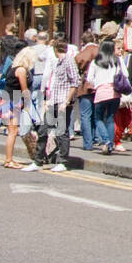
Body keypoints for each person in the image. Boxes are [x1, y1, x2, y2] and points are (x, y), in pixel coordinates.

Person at [42, 38, 81, 172]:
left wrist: (66, 101)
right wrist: (48, 100)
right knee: (44, 127)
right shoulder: (59, 63)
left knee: (62, 131)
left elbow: (75, 82)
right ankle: (39, 159)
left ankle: (63, 161)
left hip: (63, 101)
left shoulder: (69, 61)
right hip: (55, 100)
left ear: (55, 50)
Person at [0, 42, 37, 170]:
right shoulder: (20, 70)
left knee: (13, 131)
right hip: (10, 101)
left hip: (9, 100)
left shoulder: (14, 67)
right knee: (13, 131)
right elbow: (24, 89)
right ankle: (8, 160)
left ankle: (9, 159)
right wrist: (28, 104)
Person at [85, 40, 124, 156]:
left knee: (98, 118)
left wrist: (97, 82)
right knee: (111, 118)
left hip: (101, 92)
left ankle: (106, 141)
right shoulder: (117, 60)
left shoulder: (96, 62)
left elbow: (90, 79)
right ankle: (110, 144)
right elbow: (124, 75)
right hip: (115, 93)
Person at [73, 25, 107, 151]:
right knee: (98, 114)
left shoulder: (83, 52)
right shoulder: (101, 50)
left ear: (83, 41)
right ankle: (98, 139)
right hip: (100, 85)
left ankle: (88, 143)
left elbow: (77, 62)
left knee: (86, 115)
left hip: (86, 86)